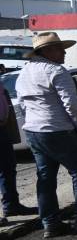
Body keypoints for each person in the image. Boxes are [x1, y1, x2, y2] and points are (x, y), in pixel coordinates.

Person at [15, 32, 77, 237]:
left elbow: (22, 104)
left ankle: (50, 222)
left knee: (45, 178)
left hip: (34, 131)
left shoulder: (24, 73)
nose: (64, 52)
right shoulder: (56, 71)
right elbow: (71, 105)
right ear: (46, 51)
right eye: (59, 48)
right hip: (58, 130)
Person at [1, 82, 36, 226]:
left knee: (8, 168)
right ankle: (11, 205)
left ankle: (12, 205)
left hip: (2, 129)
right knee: (6, 169)